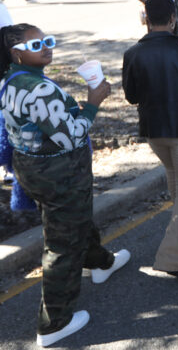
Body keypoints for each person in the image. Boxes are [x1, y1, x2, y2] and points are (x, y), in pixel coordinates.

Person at [0, 24, 130, 347]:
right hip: (58, 171)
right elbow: (71, 133)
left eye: (48, 41)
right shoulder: (37, 89)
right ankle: (54, 322)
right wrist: (93, 101)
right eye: (38, 44)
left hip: (34, 168)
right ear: (17, 52)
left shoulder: (11, 80)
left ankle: (100, 262)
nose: (47, 47)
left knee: (72, 220)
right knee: (61, 242)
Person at [122, 0, 178, 279]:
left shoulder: (132, 53)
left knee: (174, 175)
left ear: (146, 19)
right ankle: (170, 256)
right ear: (173, 18)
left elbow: (131, 96)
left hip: (152, 128)